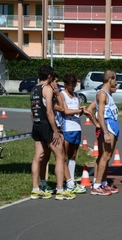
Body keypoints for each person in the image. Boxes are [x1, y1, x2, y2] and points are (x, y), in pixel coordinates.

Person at [30, 65, 75, 200]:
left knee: (38, 156)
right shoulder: (47, 89)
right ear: (49, 76)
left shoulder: (33, 89)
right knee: (60, 156)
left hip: (37, 125)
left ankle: (35, 188)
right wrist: (55, 131)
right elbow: (49, 112)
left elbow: (32, 112)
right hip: (47, 126)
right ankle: (60, 191)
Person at [56, 73, 91, 194]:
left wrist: (82, 111)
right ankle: (68, 182)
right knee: (64, 155)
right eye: (71, 85)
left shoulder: (76, 95)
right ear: (65, 84)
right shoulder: (62, 95)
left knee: (73, 155)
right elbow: (65, 111)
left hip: (77, 127)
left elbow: (77, 112)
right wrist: (79, 110)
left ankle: (70, 181)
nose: (73, 88)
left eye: (75, 85)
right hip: (67, 128)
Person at [91, 70, 120, 196]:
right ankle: (96, 185)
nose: (116, 82)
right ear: (110, 80)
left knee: (107, 156)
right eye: (115, 79)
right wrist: (105, 132)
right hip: (108, 126)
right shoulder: (102, 94)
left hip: (112, 125)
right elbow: (101, 115)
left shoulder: (108, 94)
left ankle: (103, 182)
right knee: (105, 155)